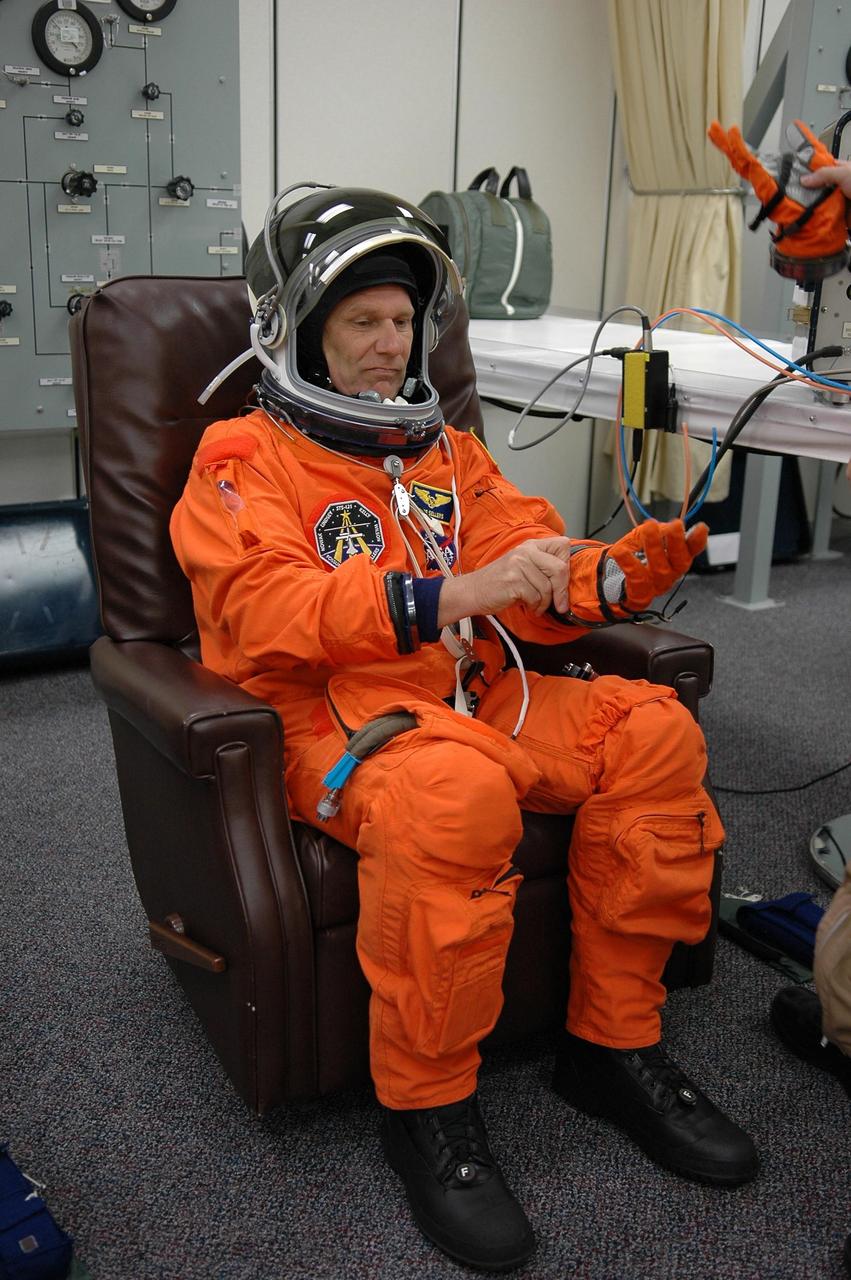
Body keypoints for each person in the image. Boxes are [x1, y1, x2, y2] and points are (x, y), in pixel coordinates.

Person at [170, 185, 758, 1273]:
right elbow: (264, 614)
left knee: (653, 734)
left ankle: (612, 1041)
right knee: (456, 797)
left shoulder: (444, 453)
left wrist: (607, 575)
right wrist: (441, 595)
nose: (391, 346)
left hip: (477, 692)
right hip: (334, 718)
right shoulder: (239, 458)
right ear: (300, 330)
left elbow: (521, 564)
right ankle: (428, 1108)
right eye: (361, 323)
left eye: (402, 322)